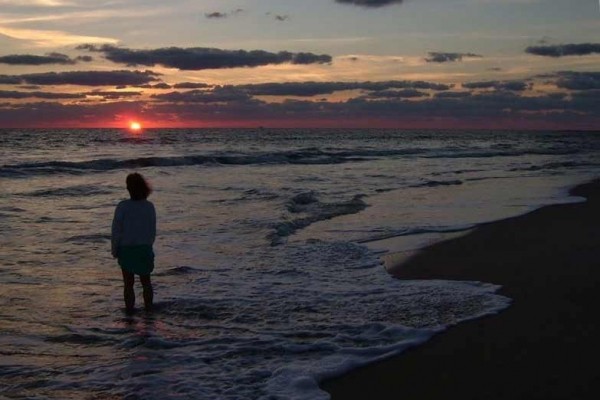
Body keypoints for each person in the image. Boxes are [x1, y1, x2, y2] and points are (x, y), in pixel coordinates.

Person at [111, 173, 156, 314]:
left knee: (128, 284)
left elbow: (116, 231)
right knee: (146, 283)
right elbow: (152, 229)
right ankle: (148, 310)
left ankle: (130, 312)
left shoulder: (123, 206)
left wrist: (114, 249)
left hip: (127, 249)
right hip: (144, 248)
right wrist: (148, 245)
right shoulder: (149, 206)